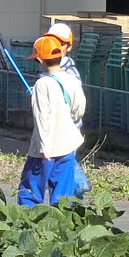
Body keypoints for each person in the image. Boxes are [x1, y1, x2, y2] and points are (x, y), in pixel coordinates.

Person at [17, 34, 85, 204]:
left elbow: (42, 118)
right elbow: (79, 109)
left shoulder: (42, 84)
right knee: (63, 195)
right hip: (68, 145)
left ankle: (29, 219)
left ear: (40, 60)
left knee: (30, 191)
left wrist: (43, 148)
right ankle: (62, 219)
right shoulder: (72, 79)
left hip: (45, 149)